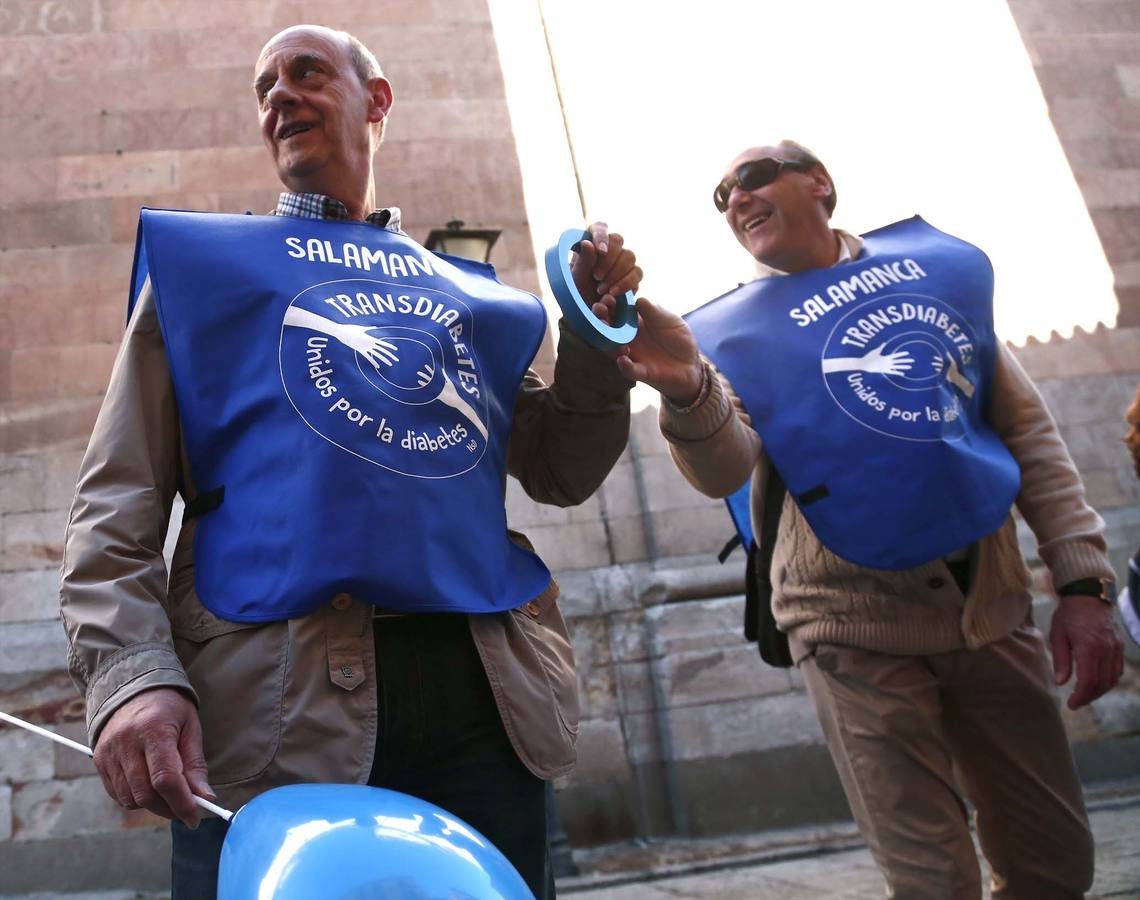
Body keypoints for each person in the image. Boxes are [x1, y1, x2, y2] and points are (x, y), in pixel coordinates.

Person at [59, 24, 641, 899]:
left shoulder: (470, 295)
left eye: (306, 73)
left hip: (484, 696)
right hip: (272, 704)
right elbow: (116, 504)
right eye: (264, 88)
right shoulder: (203, 273)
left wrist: (598, 340)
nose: (279, 97)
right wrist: (132, 680)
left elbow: (560, 468)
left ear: (376, 102)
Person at [611, 139, 1125, 898]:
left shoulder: (932, 281)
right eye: (722, 198)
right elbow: (722, 468)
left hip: (990, 608)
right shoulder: (726, 338)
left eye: (753, 178)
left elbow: (1027, 433)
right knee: (931, 880)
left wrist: (1083, 584)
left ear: (820, 182)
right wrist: (690, 390)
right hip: (847, 627)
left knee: (1053, 861)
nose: (737, 200)